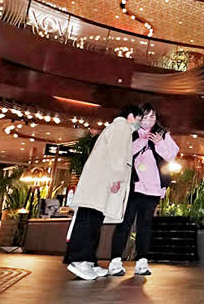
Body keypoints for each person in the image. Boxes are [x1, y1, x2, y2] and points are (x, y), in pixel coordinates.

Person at [64, 105, 143, 280]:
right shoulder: (122, 127)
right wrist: (117, 178)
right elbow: (117, 154)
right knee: (88, 221)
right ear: (131, 116)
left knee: (93, 221)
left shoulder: (117, 128)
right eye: (139, 119)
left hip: (99, 184)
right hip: (99, 183)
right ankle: (80, 260)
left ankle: (89, 261)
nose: (139, 123)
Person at [108, 105, 180, 277]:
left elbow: (171, 155)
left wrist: (159, 143)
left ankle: (142, 261)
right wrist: (142, 141)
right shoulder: (130, 132)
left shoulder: (162, 134)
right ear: (139, 118)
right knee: (125, 223)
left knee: (145, 226)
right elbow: (122, 155)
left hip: (153, 188)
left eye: (152, 117)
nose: (149, 121)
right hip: (133, 186)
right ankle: (115, 261)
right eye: (145, 117)